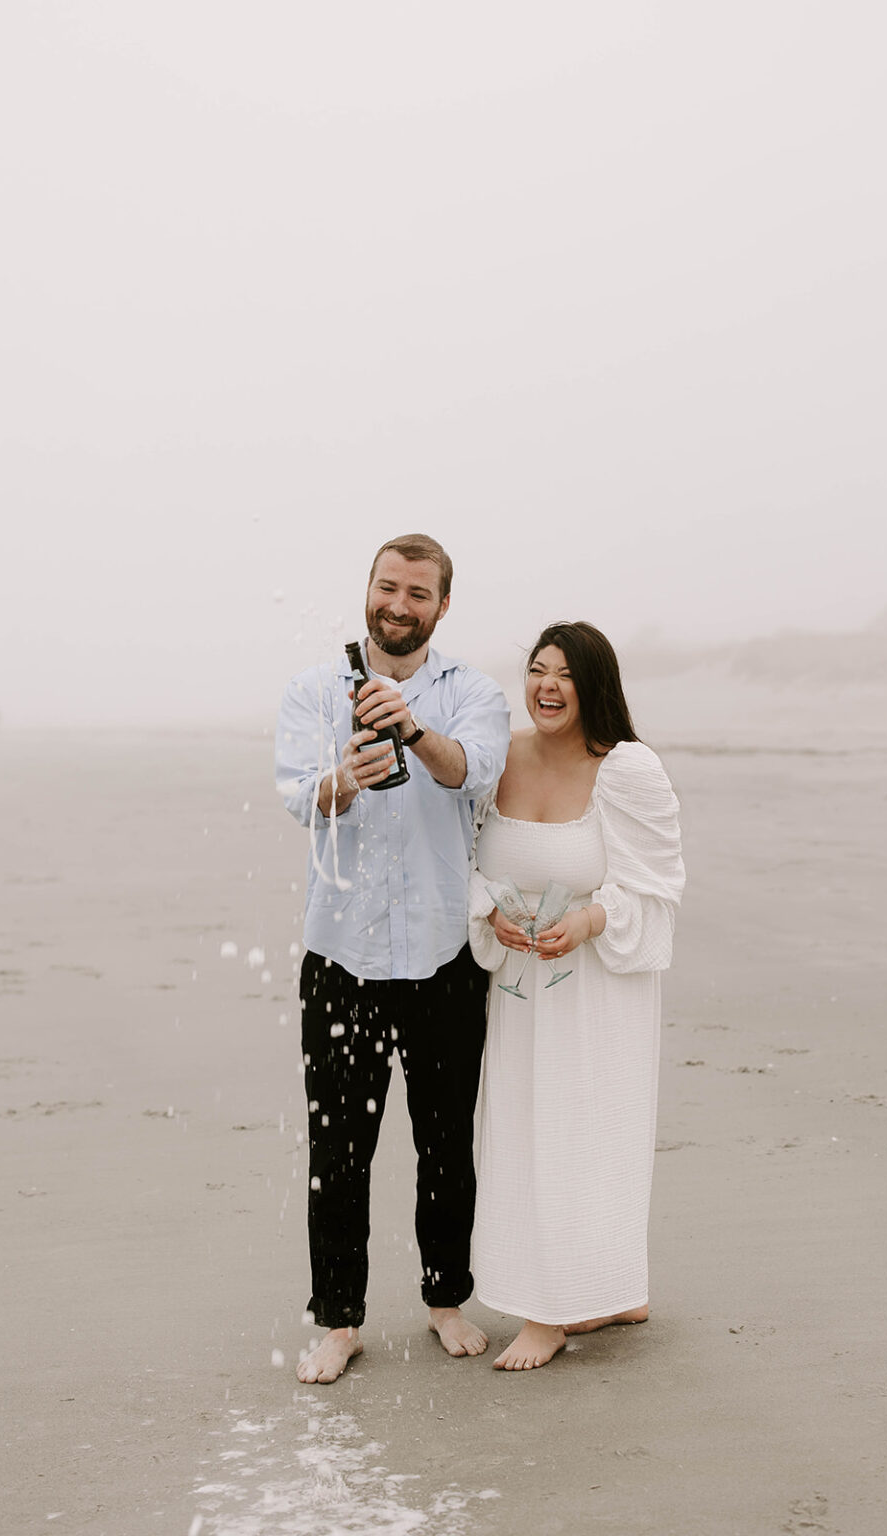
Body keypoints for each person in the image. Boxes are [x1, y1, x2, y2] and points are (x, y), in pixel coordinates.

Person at [275, 534, 510, 1384]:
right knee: (338, 1153)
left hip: (446, 956)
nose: (398, 605)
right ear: (368, 591)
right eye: (387, 587)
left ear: (442, 605)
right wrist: (344, 775)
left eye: (417, 593)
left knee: (446, 1142)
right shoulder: (314, 690)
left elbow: (473, 771)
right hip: (342, 956)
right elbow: (301, 799)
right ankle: (339, 1322)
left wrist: (411, 729)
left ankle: (446, 1300)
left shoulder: (474, 692)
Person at [468, 620, 685, 1370]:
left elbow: (658, 887)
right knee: (524, 1127)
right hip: (520, 981)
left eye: (564, 673)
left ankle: (555, 1312)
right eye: (537, 669)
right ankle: (607, 1291)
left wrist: (591, 920)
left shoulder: (626, 769)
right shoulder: (499, 755)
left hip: (598, 986)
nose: (547, 686)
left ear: (595, 686)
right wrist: (487, 909)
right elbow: (463, 858)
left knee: (588, 1131)